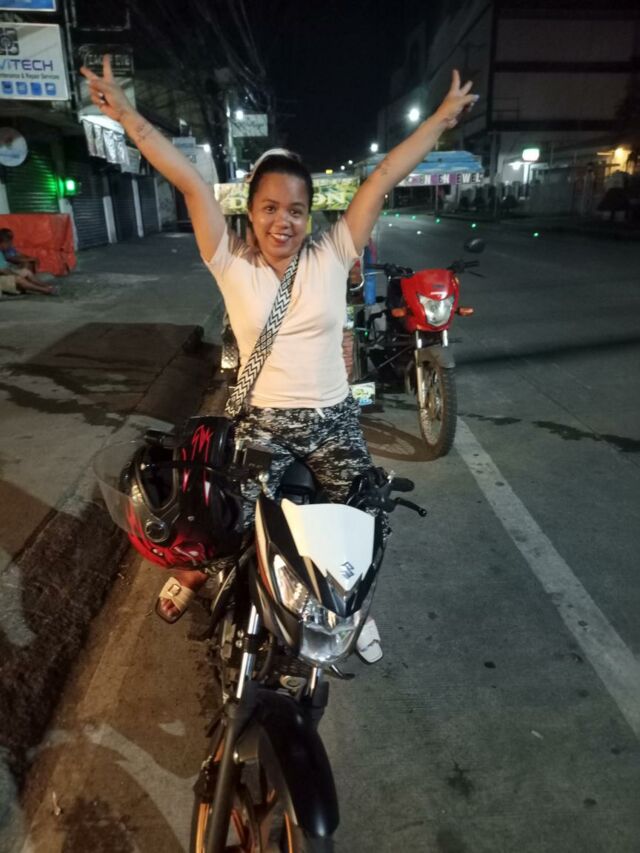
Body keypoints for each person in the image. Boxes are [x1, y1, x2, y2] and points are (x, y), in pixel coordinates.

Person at [81, 56, 477, 631]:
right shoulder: (230, 261)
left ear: (310, 216)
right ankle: (195, 575)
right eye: (270, 208)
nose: (282, 222)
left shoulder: (332, 253)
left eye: (296, 210)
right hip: (262, 423)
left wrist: (440, 119)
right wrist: (126, 116)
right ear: (250, 211)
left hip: (333, 421)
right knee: (225, 519)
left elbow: (384, 176)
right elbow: (188, 180)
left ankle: (350, 607)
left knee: (367, 521)